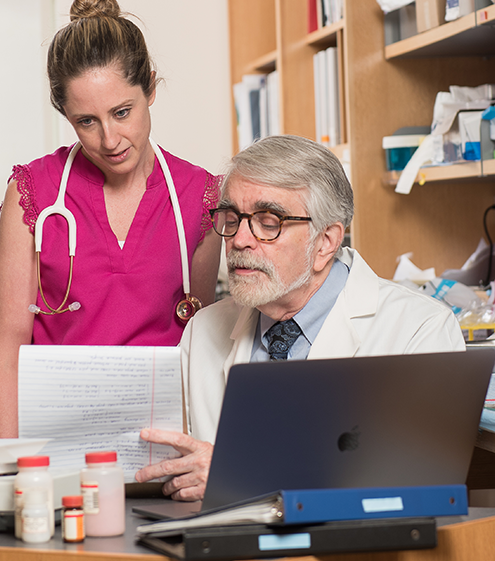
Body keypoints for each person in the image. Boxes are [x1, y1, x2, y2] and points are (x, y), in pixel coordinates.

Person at [135, 134, 465, 501]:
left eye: (268, 221)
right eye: (232, 218)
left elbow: (419, 483)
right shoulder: (203, 330)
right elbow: (172, 464)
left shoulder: (418, 329)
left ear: (325, 242)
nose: (240, 239)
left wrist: (240, 471)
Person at [0, 0, 222, 438]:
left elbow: (200, 342)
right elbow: (8, 349)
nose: (110, 139)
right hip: (55, 442)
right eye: (86, 121)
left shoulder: (199, 197)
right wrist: (7, 476)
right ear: (66, 115)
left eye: (122, 112)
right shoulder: (34, 193)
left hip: (163, 443)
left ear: (150, 88)